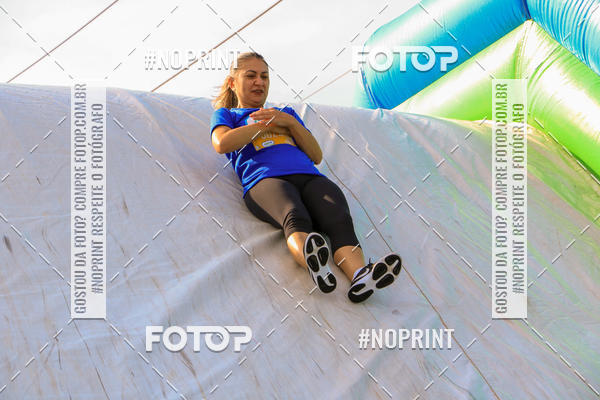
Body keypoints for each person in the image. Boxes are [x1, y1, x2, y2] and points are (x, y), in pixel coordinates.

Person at [209, 52, 402, 303]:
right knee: (294, 216)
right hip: (266, 180)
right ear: (232, 83)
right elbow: (222, 143)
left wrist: (290, 123)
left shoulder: (285, 114)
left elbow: (316, 155)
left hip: (310, 177)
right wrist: (263, 125)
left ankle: (360, 276)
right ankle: (315, 264)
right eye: (251, 76)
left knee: (339, 219)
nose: (259, 82)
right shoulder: (228, 114)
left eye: (265, 77)